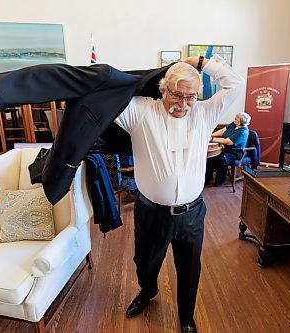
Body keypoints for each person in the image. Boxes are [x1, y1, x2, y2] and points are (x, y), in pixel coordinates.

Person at [114, 54, 244, 333]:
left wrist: (201, 62)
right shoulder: (140, 111)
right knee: (145, 263)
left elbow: (235, 83)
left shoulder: (204, 114)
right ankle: (147, 291)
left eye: (190, 97)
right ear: (164, 89)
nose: (183, 104)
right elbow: (107, 94)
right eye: (176, 95)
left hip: (192, 213)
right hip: (151, 212)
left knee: (189, 269)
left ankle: (186, 317)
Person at [210, 112, 251, 186]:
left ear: (240, 122)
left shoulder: (242, 132)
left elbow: (228, 141)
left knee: (221, 159)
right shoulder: (234, 124)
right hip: (226, 149)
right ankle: (207, 179)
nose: (234, 120)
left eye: (236, 119)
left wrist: (212, 139)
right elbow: (222, 131)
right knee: (211, 157)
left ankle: (220, 181)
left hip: (235, 152)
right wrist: (210, 134)